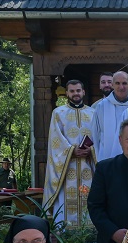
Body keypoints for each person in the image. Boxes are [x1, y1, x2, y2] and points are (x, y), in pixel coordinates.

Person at [42, 79, 96, 226]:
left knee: (89, 197)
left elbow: (98, 138)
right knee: (66, 199)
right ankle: (66, 235)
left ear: (83, 92)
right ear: (66, 93)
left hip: (88, 166)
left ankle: (89, 233)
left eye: (78, 90)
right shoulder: (58, 113)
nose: (75, 93)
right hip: (66, 168)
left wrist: (91, 150)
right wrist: (71, 151)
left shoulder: (93, 113)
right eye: (72, 91)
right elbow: (55, 139)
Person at [93, 71, 128, 161]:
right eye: (117, 83)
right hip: (107, 156)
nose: (121, 87)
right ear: (112, 85)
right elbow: (95, 134)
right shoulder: (102, 106)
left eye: (124, 83)